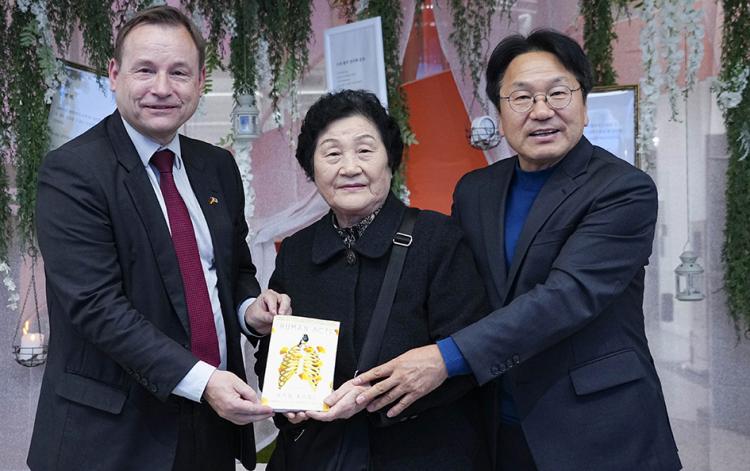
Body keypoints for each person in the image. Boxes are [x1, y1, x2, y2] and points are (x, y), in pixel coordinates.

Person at [354, 29, 682, 471]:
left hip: (599, 430)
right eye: (522, 97)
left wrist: (444, 358)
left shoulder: (623, 189)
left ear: (585, 105)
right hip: (497, 430)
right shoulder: (475, 190)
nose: (541, 111)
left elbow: (566, 296)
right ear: (500, 112)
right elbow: (449, 284)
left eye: (558, 93)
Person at [27, 6, 289, 471]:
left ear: (200, 81)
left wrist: (250, 310)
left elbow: (232, 270)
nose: (162, 88)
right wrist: (204, 381)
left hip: (211, 428)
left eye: (179, 72)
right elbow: (96, 306)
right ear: (115, 74)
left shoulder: (217, 167)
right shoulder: (73, 173)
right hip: (111, 438)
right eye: (145, 70)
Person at [255, 89, 490, 470]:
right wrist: (287, 401)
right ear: (312, 168)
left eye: (365, 151)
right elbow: (274, 350)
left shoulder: (437, 239)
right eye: (332, 154)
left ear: (390, 160)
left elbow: (471, 351)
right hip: (319, 456)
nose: (349, 167)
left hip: (422, 455)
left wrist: (371, 397)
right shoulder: (297, 251)